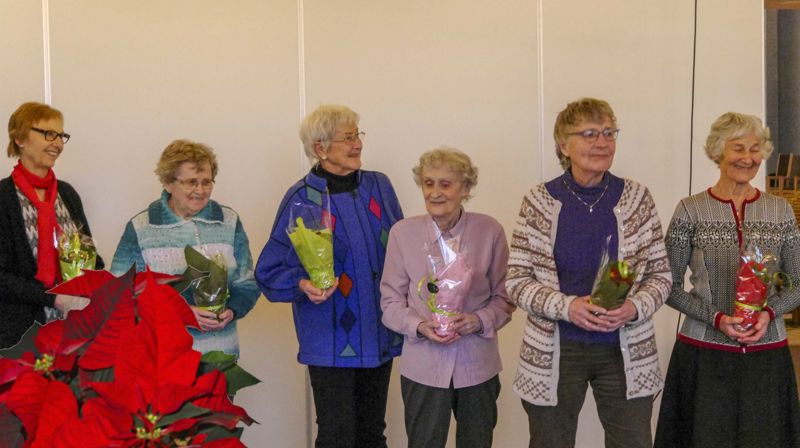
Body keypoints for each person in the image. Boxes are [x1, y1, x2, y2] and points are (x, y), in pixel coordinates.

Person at [507, 97, 671, 448]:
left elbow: (661, 275)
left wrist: (634, 307)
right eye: (590, 133)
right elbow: (517, 281)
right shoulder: (539, 201)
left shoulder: (638, 199)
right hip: (556, 350)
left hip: (626, 349)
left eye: (609, 132)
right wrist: (568, 307)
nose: (602, 142)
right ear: (563, 145)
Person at [255, 104, 403, 448]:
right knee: (337, 434)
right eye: (348, 138)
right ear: (320, 148)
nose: (357, 144)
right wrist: (302, 284)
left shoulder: (380, 187)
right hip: (329, 338)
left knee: (372, 432)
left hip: (378, 332)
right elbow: (270, 270)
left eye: (358, 135)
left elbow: (401, 248)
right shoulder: (300, 198)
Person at [654, 112, 800, 447]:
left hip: (767, 353)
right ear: (718, 152)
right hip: (704, 355)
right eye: (738, 148)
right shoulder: (690, 210)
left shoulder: (780, 210)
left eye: (755, 149)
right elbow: (668, 286)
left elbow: (797, 284)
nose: (748, 158)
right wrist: (716, 318)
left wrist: (768, 314)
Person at [380, 147, 514, 448]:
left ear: (465, 189)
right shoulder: (403, 234)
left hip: (478, 366)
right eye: (429, 183)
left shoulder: (490, 231)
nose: (435, 192)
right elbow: (389, 303)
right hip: (423, 367)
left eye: (445, 184)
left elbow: (505, 297)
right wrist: (418, 326)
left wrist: (477, 320)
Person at [110, 139, 259, 357]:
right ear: (168, 183)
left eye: (207, 182)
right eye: (191, 182)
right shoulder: (142, 227)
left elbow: (247, 283)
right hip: (163, 359)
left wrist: (232, 310)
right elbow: (120, 294)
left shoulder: (229, 221)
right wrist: (181, 312)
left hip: (221, 357)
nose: (200, 191)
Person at [0, 102, 105, 349]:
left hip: (74, 330)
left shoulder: (67, 194)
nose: (57, 143)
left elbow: (91, 257)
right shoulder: (3, 198)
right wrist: (55, 299)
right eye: (48, 134)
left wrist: (95, 284)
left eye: (61, 135)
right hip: (19, 337)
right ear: (20, 139)